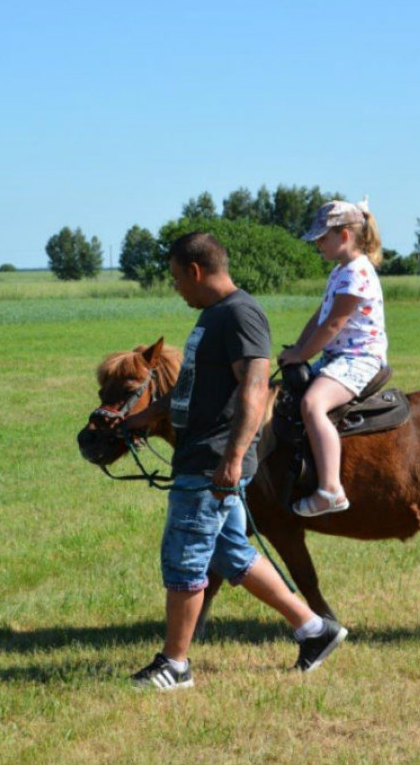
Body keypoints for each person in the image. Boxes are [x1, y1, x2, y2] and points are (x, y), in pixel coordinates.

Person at [121, 231, 347, 690]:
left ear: (195, 271)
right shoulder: (214, 316)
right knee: (232, 553)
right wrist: (142, 418)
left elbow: (253, 389)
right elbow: (191, 388)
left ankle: (175, 665)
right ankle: (314, 630)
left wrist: (233, 457)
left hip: (212, 462)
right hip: (201, 456)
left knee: (186, 556)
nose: (176, 288)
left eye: (176, 279)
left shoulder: (241, 314)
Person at [277, 198, 387, 518]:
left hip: (359, 357)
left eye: (321, 238)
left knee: (312, 405)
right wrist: (295, 352)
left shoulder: (357, 272)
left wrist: (302, 353)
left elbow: (336, 323)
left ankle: (330, 490)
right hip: (338, 355)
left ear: (344, 236)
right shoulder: (340, 271)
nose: (317, 245)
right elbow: (320, 317)